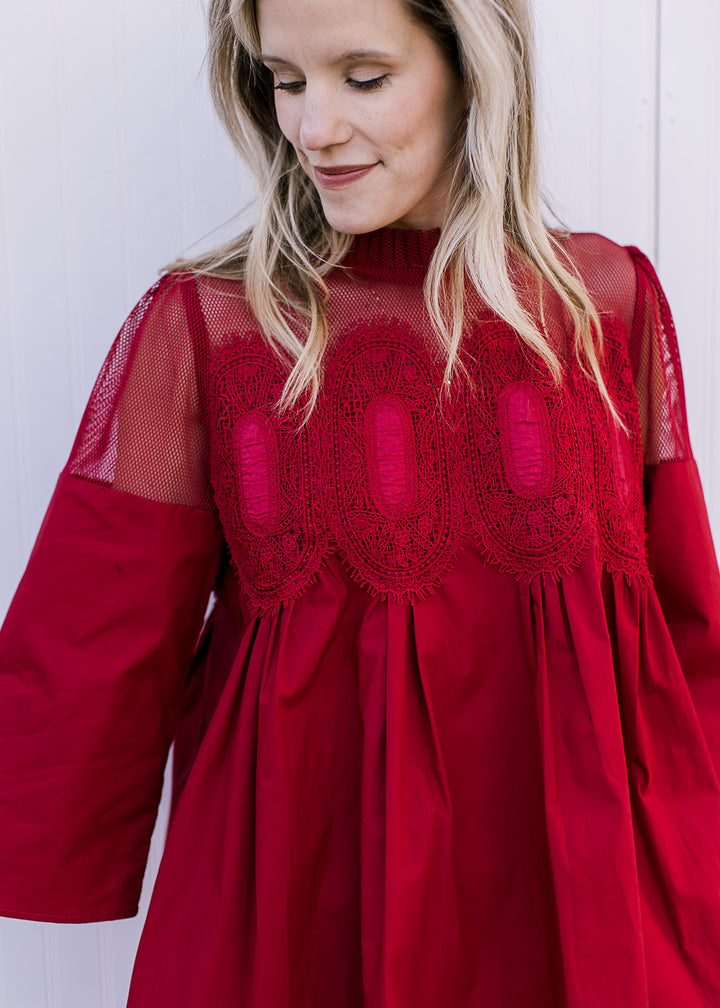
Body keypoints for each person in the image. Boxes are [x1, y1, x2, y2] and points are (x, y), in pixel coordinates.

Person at [1, 0, 719, 1004]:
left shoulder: (603, 307)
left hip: (577, 893)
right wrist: (50, 851)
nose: (312, 127)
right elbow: (95, 634)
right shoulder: (213, 328)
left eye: (364, 77)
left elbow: (679, 632)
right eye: (285, 81)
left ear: (474, 70)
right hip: (301, 890)